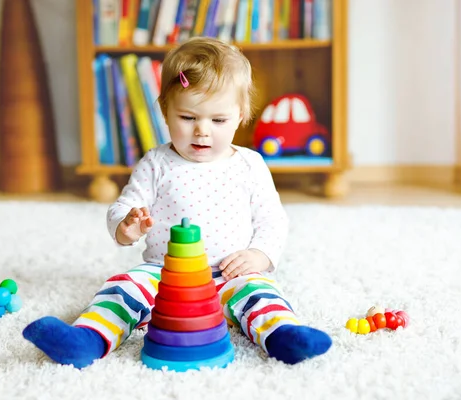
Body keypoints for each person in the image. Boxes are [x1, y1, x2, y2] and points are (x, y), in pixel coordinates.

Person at [23, 37, 332, 368]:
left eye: (218, 120)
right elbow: (123, 206)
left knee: (262, 295)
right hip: (165, 275)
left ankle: (285, 337)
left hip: (230, 273)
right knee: (124, 287)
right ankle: (87, 338)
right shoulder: (156, 163)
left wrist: (259, 255)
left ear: (241, 115)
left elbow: (272, 220)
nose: (202, 131)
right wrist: (127, 225)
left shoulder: (250, 164)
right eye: (188, 117)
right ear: (165, 111)